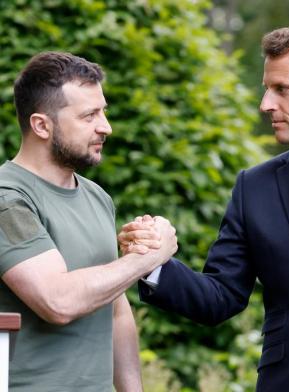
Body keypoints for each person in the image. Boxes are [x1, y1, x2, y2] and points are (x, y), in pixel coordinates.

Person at [119, 22, 289, 391]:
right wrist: (151, 263)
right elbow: (220, 297)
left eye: (282, 89)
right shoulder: (255, 186)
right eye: (267, 89)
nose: (266, 104)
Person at [0, 51, 177, 392]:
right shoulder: (8, 199)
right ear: (41, 125)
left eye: (103, 111)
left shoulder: (97, 197)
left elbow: (116, 310)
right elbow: (57, 301)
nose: (105, 127)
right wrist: (149, 257)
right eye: (89, 115)